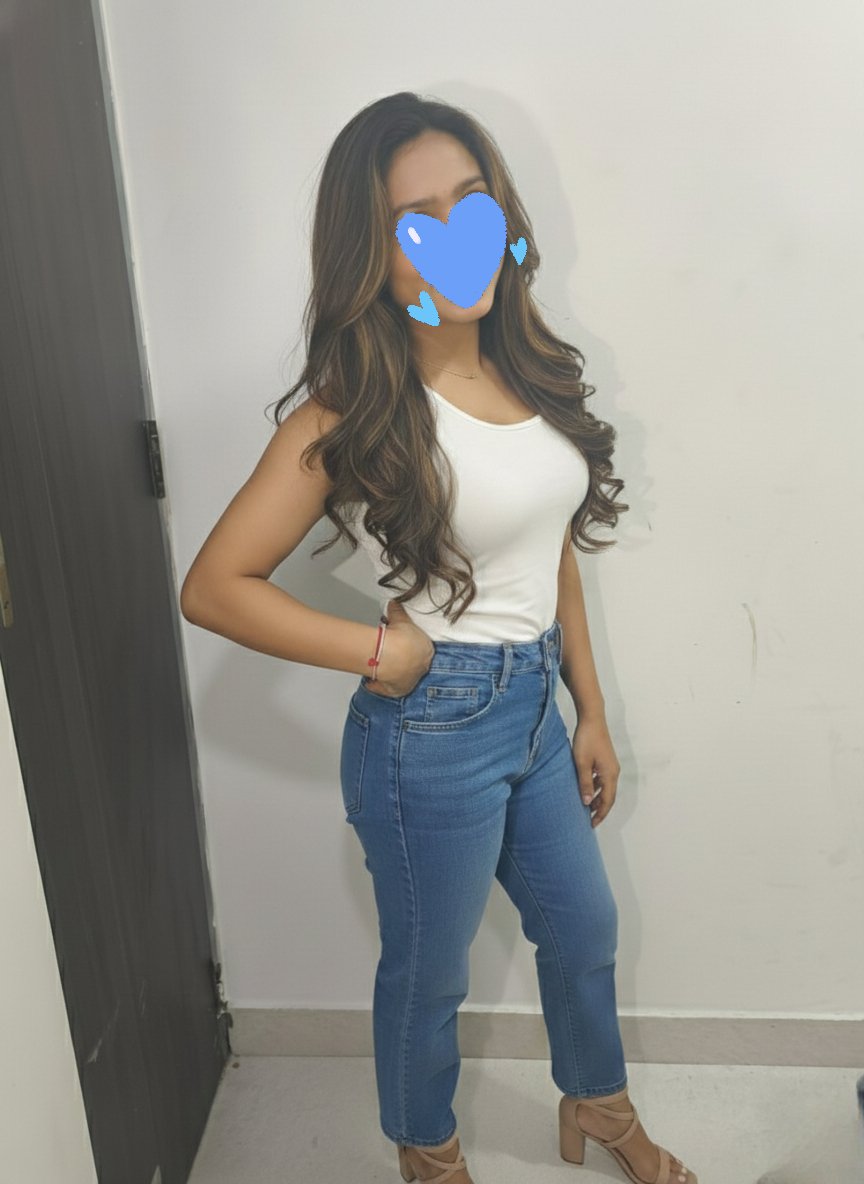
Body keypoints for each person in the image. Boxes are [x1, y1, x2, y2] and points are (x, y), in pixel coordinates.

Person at [180, 92, 697, 1184]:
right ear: (374, 255)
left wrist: (590, 706)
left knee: (585, 928)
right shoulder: (348, 413)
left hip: (536, 711)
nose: (455, 235)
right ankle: (428, 1150)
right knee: (429, 974)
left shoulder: (527, 368)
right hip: (431, 731)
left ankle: (597, 1104)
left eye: (470, 202)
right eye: (417, 220)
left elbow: (551, 550)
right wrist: (378, 653)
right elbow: (213, 587)